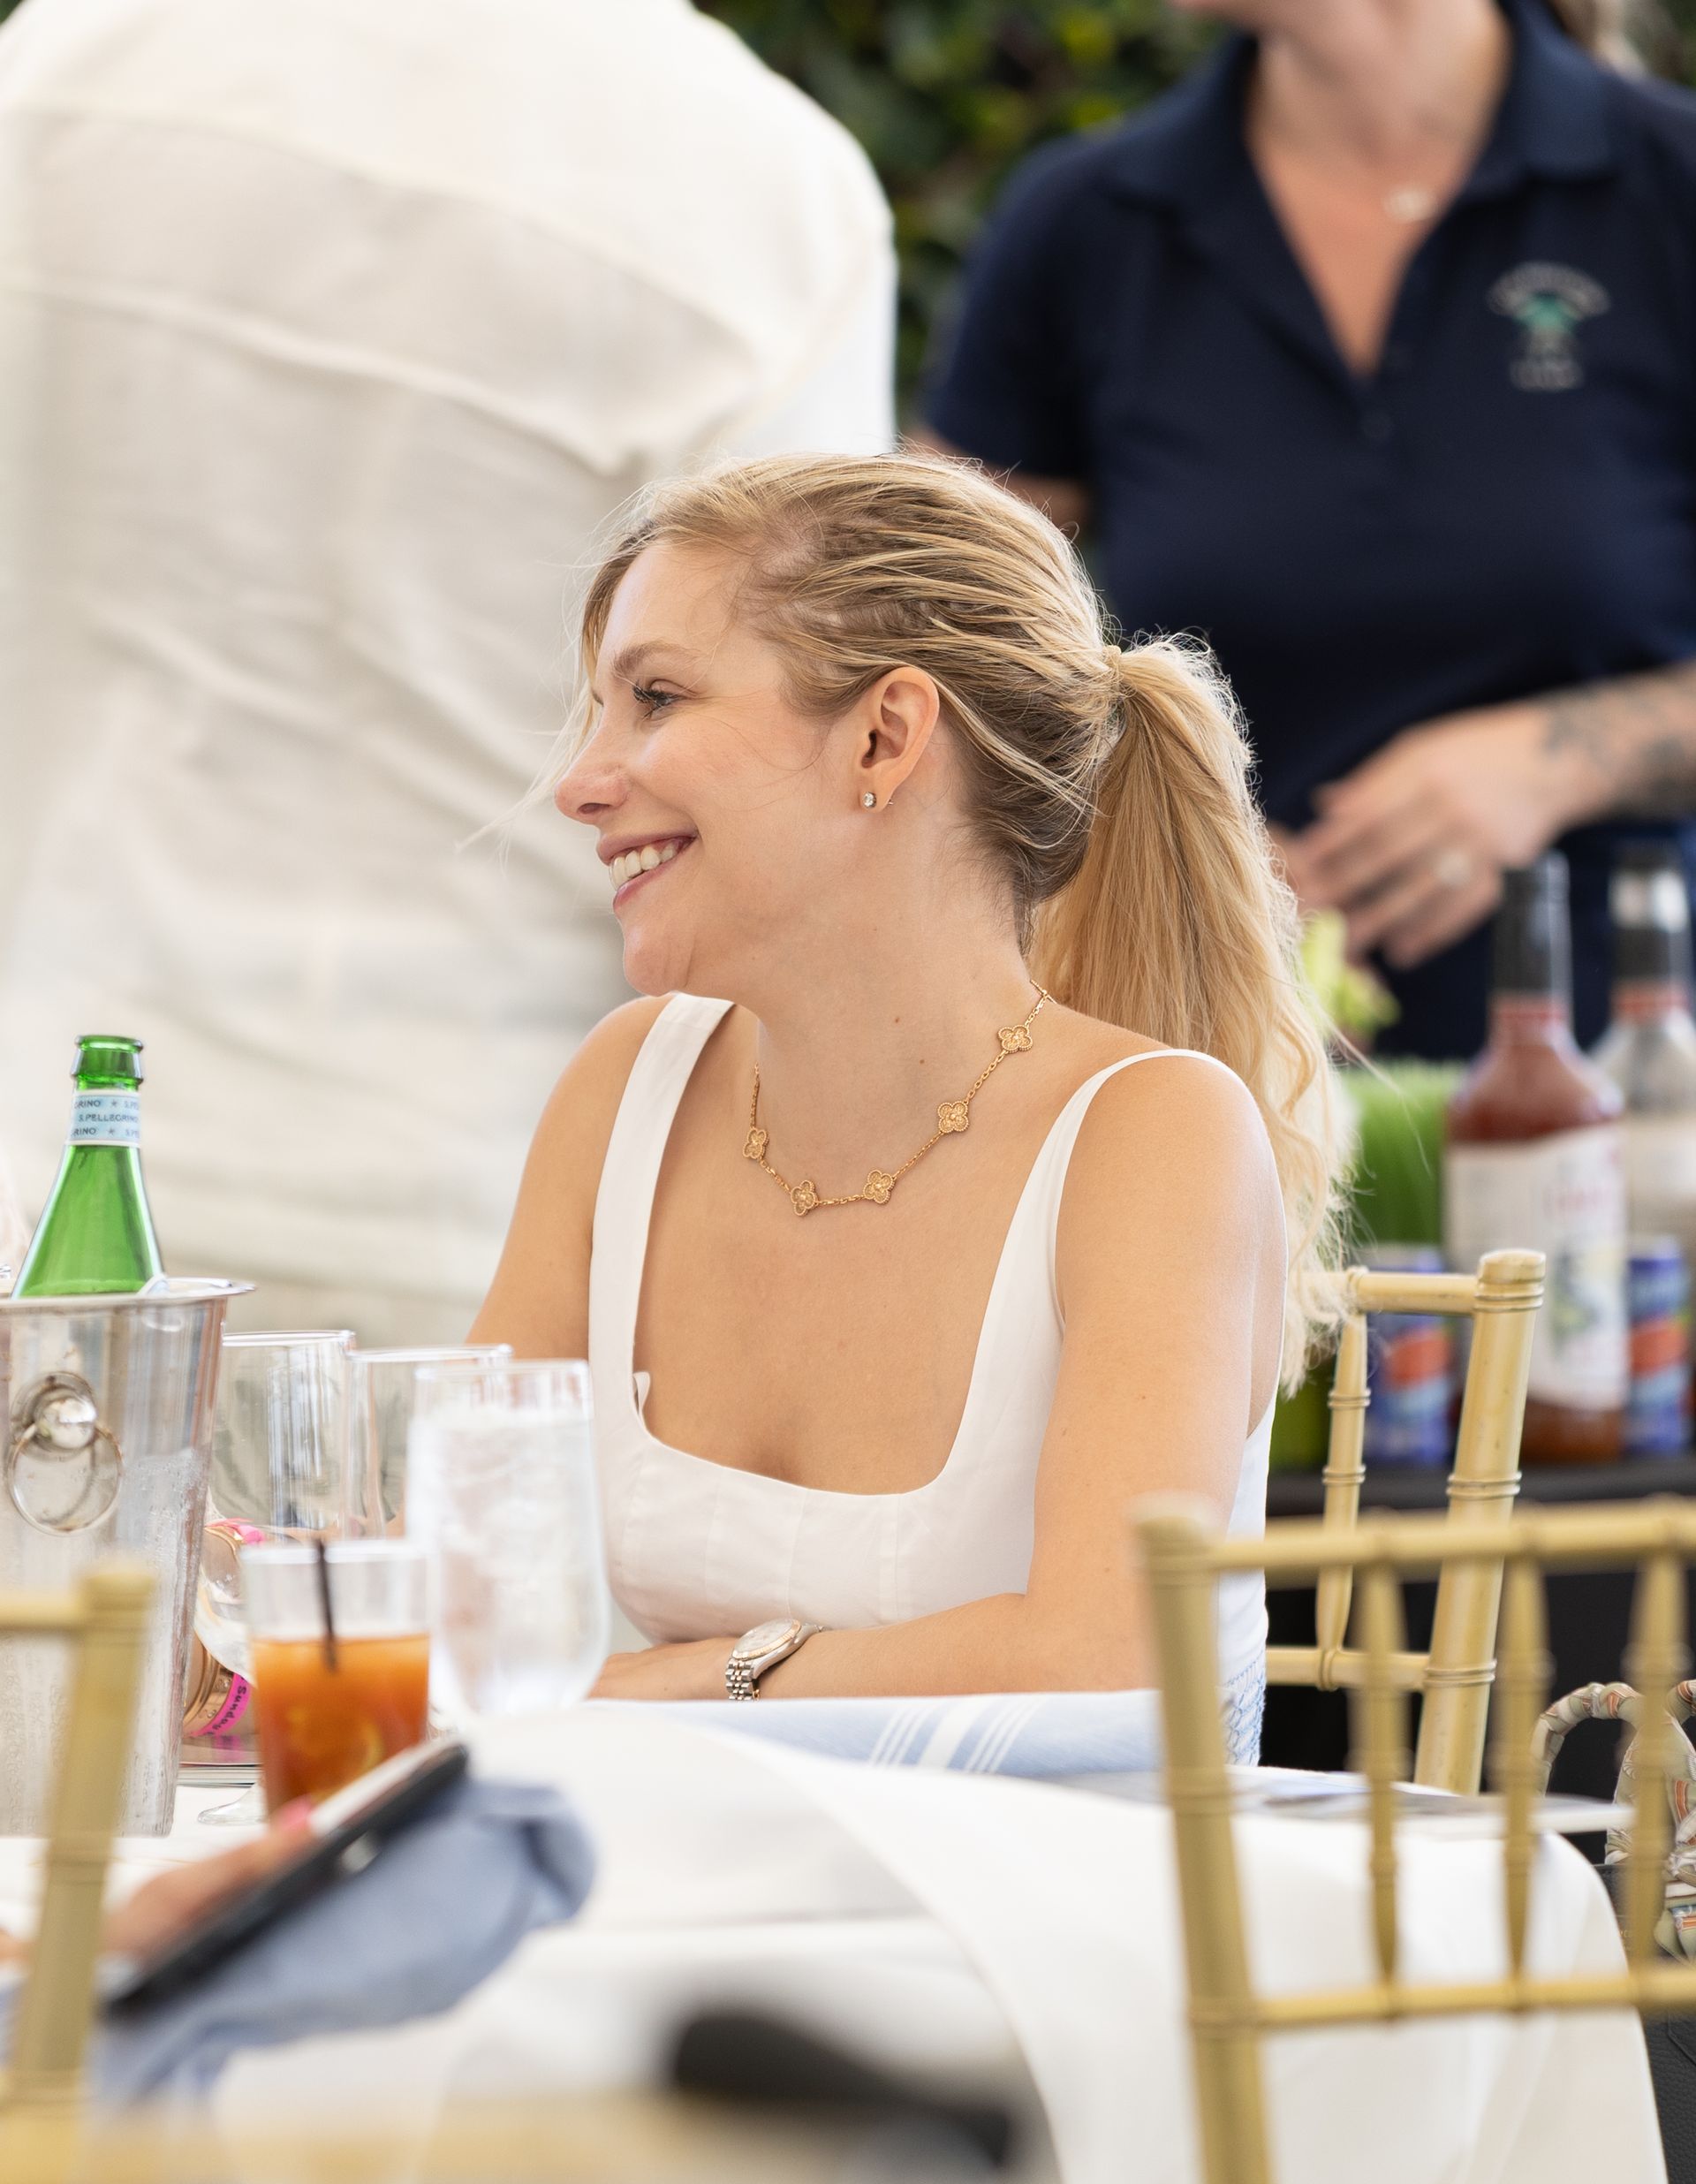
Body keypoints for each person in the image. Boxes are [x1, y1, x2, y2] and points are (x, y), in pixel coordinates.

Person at [0, 0, 894, 1342]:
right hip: (487, 1213)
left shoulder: (63, 69)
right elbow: (793, 795)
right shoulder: (758, 193)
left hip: (43, 1159)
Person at [472, 451, 1343, 1746]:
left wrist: (668, 1684)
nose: (583, 780)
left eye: (656, 698)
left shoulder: (1155, 1135)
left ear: (885, 734)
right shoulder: (625, 1090)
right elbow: (470, 1592)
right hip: (721, 1885)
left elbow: (1102, 1659)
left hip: (1067, 1909)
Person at [925, 0, 1696, 1060]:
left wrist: (1557, 761)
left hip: (1631, 1107)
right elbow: (917, 639)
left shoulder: (1668, 185)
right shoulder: (1088, 223)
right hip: (1196, 1084)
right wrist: (1160, 822)